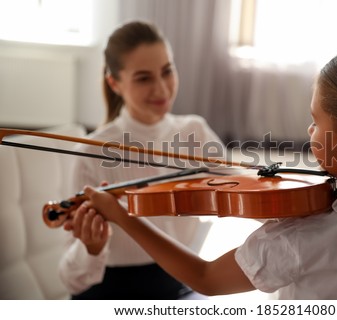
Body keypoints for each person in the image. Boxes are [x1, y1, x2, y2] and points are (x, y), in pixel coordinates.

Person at [72, 40, 337, 299]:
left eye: (314, 121)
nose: (310, 131)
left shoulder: (299, 240)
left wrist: (122, 215)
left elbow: (205, 279)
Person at [58, 21, 225, 299]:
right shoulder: (90, 151)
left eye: (167, 71)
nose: (161, 88)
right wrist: (92, 249)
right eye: (144, 78)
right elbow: (70, 281)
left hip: (182, 281)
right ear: (115, 83)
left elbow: (242, 186)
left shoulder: (194, 130)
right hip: (113, 291)